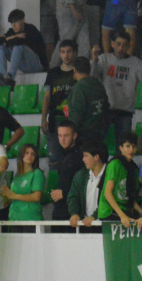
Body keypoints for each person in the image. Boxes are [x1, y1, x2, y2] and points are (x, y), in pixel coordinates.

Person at [92, 31, 142, 141]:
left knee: (125, 147)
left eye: (125, 45)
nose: (121, 48)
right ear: (112, 44)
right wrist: (94, 62)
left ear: (129, 46)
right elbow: (91, 79)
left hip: (125, 112)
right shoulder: (103, 59)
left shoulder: (135, 63)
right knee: (97, 144)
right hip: (105, 110)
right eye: (118, 44)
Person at [43, 40, 78, 169]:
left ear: (75, 53)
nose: (66, 55)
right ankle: (54, 187)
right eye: (63, 52)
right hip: (54, 120)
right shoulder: (52, 73)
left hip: (74, 120)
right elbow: (46, 97)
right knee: (54, 159)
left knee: (74, 158)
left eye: (69, 51)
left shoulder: (78, 72)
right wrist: (43, 119)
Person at [64, 57, 109, 149]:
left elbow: (76, 114)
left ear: (75, 70)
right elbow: (106, 108)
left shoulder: (79, 88)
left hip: (83, 136)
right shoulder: (99, 84)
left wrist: (70, 134)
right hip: (99, 134)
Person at [0, 9, 48, 84]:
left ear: (23, 20)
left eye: (16, 22)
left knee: (18, 46)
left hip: (37, 65)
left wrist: (7, 40)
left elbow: (18, 42)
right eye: (12, 23)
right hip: (24, 66)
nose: (13, 25)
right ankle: (2, 75)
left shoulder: (30, 29)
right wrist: (14, 36)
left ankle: (10, 77)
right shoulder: (12, 31)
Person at [101, 132, 142, 226]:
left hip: (124, 210)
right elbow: (107, 193)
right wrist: (122, 216)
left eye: (134, 146)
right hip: (109, 211)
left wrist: (140, 211)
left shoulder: (134, 168)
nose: (131, 150)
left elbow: (130, 197)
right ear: (121, 148)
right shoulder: (115, 164)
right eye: (127, 146)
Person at [65, 141, 109, 227]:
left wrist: (94, 216)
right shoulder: (80, 175)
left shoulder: (110, 174)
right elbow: (73, 196)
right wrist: (74, 213)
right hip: (85, 225)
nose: (83, 159)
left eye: (86, 156)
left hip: (105, 225)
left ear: (96, 157)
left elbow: (109, 200)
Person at [50, 120, 87, 221]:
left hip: (73, 212)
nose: (62, 140)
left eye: (66, 136)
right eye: (60, 136)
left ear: (74, 136)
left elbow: (84, 184)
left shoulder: (81, 156)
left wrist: (64, 193)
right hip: (60, 210)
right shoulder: (59, 154)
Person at [1, 144, 46, 221]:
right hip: (14, 217)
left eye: (32, 154)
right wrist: (6, 193)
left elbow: (37, 196)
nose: (29, 156)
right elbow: (11, 199)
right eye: (27, 153)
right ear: (21, 155)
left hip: (30, 217)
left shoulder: (37, 173)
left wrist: (15, 196)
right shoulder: (17, 175)